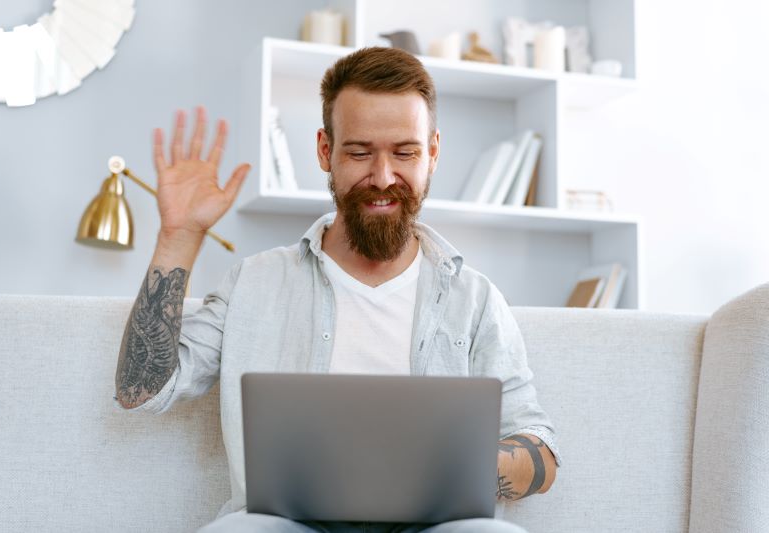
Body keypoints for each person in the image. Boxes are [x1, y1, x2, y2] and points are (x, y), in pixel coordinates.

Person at [115, 47, 562, 533]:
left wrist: (472, 464)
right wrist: (178, 238)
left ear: (432, 152)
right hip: (284, 524)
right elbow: (141, 390)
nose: (384, 177)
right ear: (326, 151)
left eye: (405, 152)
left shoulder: (474, 300)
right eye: (360, 152)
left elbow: (539, 449)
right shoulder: (256, 282)